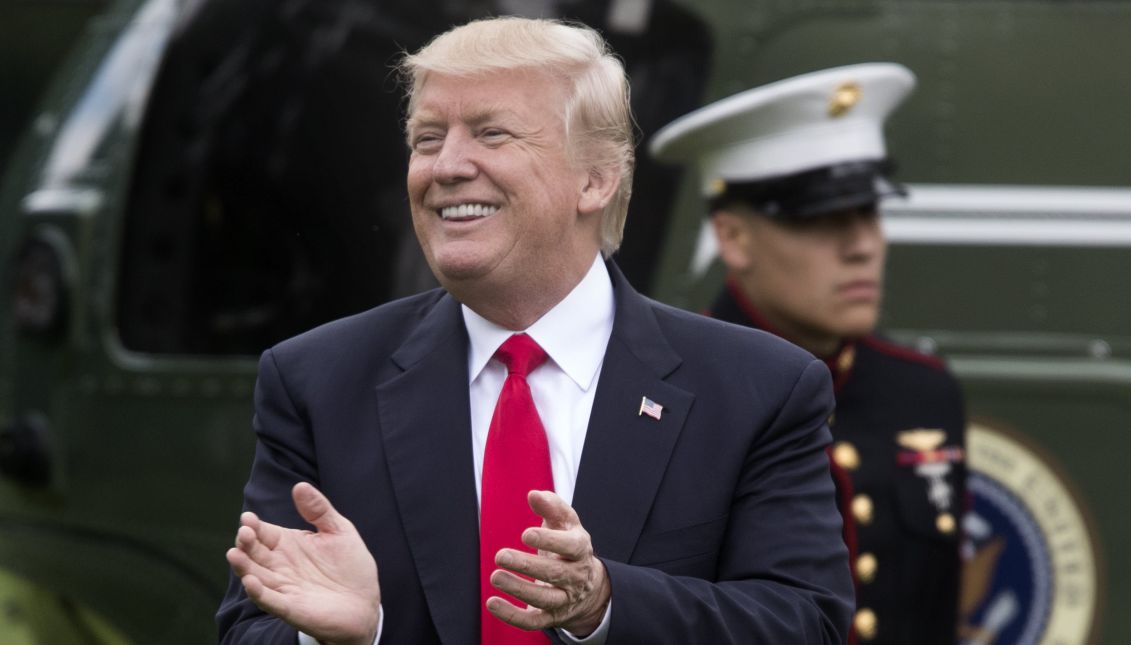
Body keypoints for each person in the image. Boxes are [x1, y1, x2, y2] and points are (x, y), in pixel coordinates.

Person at [218, 16, 853, 645]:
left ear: (595, 179)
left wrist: (605, 604)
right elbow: (250, 629)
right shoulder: (318, 381)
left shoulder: (759, 389)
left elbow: (805, 624)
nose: (447, 166)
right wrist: (340, 640)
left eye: (492, 134)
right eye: (428, 138)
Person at [650, 63, 967, 644]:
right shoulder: (662, 393)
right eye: (822, 219)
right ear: (733, 237)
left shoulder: (920, 392)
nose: (863, 246)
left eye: (869, 212)